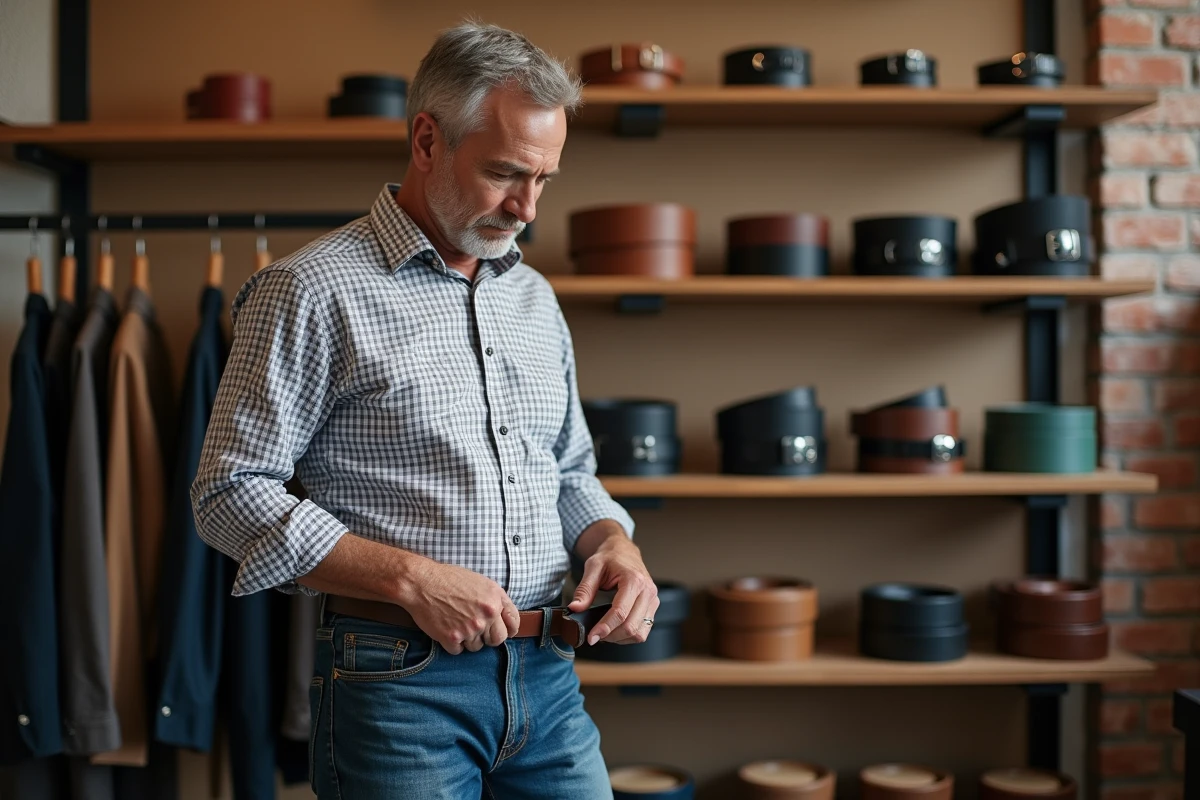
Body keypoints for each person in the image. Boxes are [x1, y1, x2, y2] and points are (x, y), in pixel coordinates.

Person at [190, 20, 658, 800]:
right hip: (397, 685)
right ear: (427, 139)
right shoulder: (310, 292)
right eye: (506, 173)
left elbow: (568, 468)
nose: (526, 207)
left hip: (550, 680)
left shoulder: (536, 300)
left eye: (545, 179)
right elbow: (227, 494)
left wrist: (616, 542)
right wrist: (410, 580)